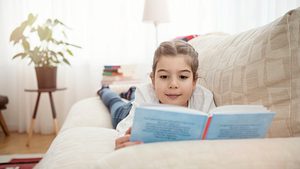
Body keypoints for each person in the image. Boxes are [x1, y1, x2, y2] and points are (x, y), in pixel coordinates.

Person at [98, 40, 216, 150]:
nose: (173, 84)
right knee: (115, 104)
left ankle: (129, 92)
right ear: (153, 80)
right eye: (164, 76)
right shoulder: (145, 94)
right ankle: (105, 90)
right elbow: (126, 127)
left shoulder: (204, 97)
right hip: (126, 111)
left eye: (183, 77)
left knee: (132, 94)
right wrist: (125, 138)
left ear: (194, 81)